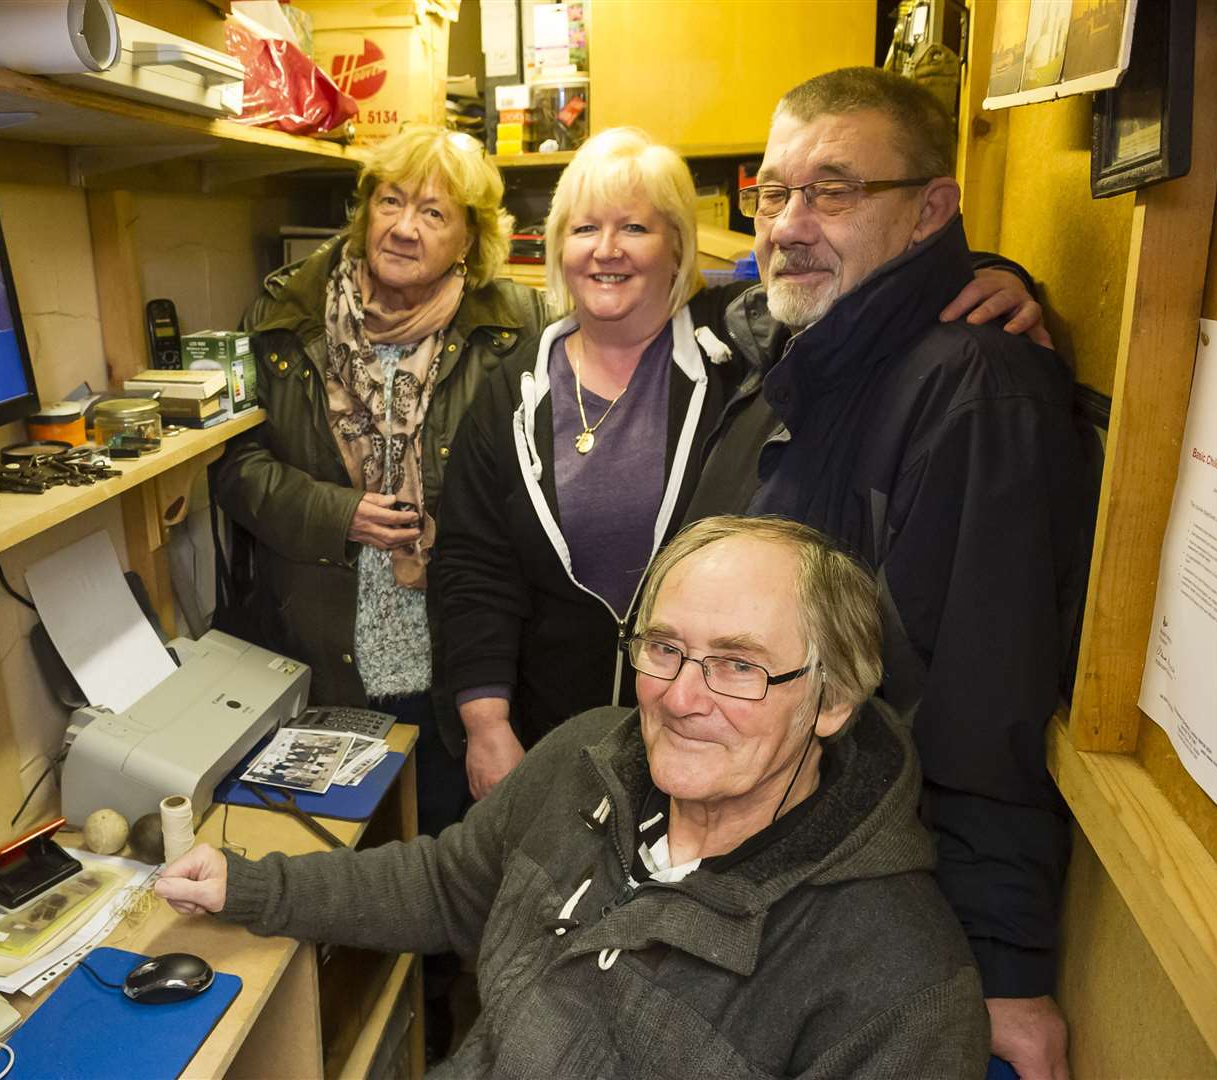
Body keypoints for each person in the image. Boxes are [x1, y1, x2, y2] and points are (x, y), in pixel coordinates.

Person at [158, 516, 991, 1078]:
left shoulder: (902, 988)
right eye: (662, 647)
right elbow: (446, 887)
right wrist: (253, 887)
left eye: (738, 664)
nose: (679, 696)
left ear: (835, 700)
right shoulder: (586, 754)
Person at [676, 68, 1096, 1078]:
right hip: (769, 890)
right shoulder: (803, 349)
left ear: (929, 212)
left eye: (833, 190)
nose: (787, 223)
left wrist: (1006, 969)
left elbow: (987, 702)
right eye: (772, 191)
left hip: (882, 924)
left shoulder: (977, 392)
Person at [430, 126, 1047, 802]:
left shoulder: (746, 342)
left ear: (676, 245)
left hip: (719, 737)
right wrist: (486, 723)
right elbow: (474, 566)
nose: (605, 251)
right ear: (555, 248)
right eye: (583, 229)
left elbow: (858, 295)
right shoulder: (509, 389)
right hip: (545, 738)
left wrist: (987, 276)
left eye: (634, 226)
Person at [213, 125, 548, 839]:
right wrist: (337, 513)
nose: (402, 228)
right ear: (363, 210)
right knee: (340, 854)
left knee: (456, 841)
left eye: (432, 213)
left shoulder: (516, 326)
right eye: (390, 202)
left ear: (469, 239)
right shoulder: (283, 315)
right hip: (320, 644)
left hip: (461, 651)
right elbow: (234, 465)